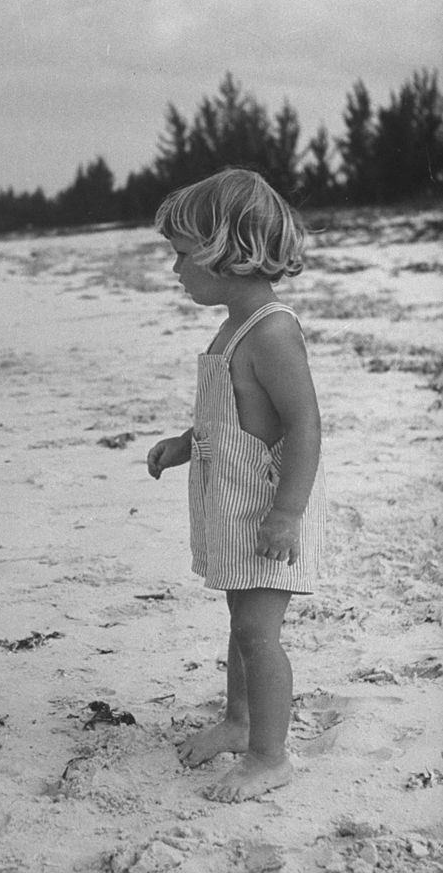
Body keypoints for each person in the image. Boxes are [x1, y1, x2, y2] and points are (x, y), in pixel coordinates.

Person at [147, 168, 326, 803]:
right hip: (235, 501)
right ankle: (239, 719)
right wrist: (183, 443)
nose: (175, 270)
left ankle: (270, 755)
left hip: (267, 509)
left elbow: (304, 426)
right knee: (239, 621)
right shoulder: (233, 326)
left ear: (227, 252)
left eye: (181, 255)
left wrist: (288, 512)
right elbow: (234, 417)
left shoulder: (272, 331)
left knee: (259, 631)